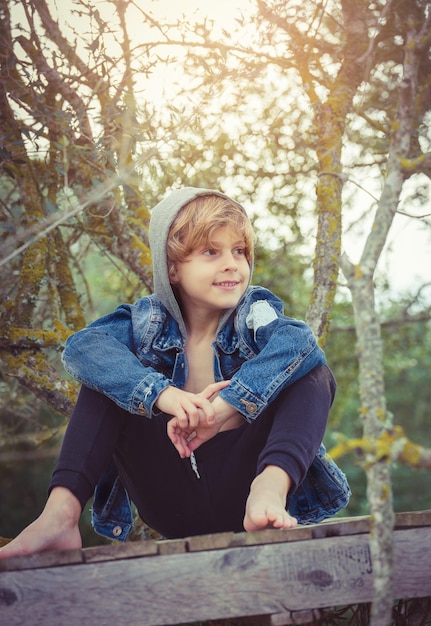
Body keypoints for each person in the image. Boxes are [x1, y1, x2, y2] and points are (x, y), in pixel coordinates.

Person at [0, 187, 350, 559]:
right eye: (210, 252)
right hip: (171, 499)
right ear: (172, 267)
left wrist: (226, 406)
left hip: (248, 494)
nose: (232, 264)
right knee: (105, 378)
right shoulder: (144, 325)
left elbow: (300, 343)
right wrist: (163, 395)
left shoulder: (254, 315)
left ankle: (271, 487)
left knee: (313, 373)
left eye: (239, 251)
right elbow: (82, 348)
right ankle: (60, 515)